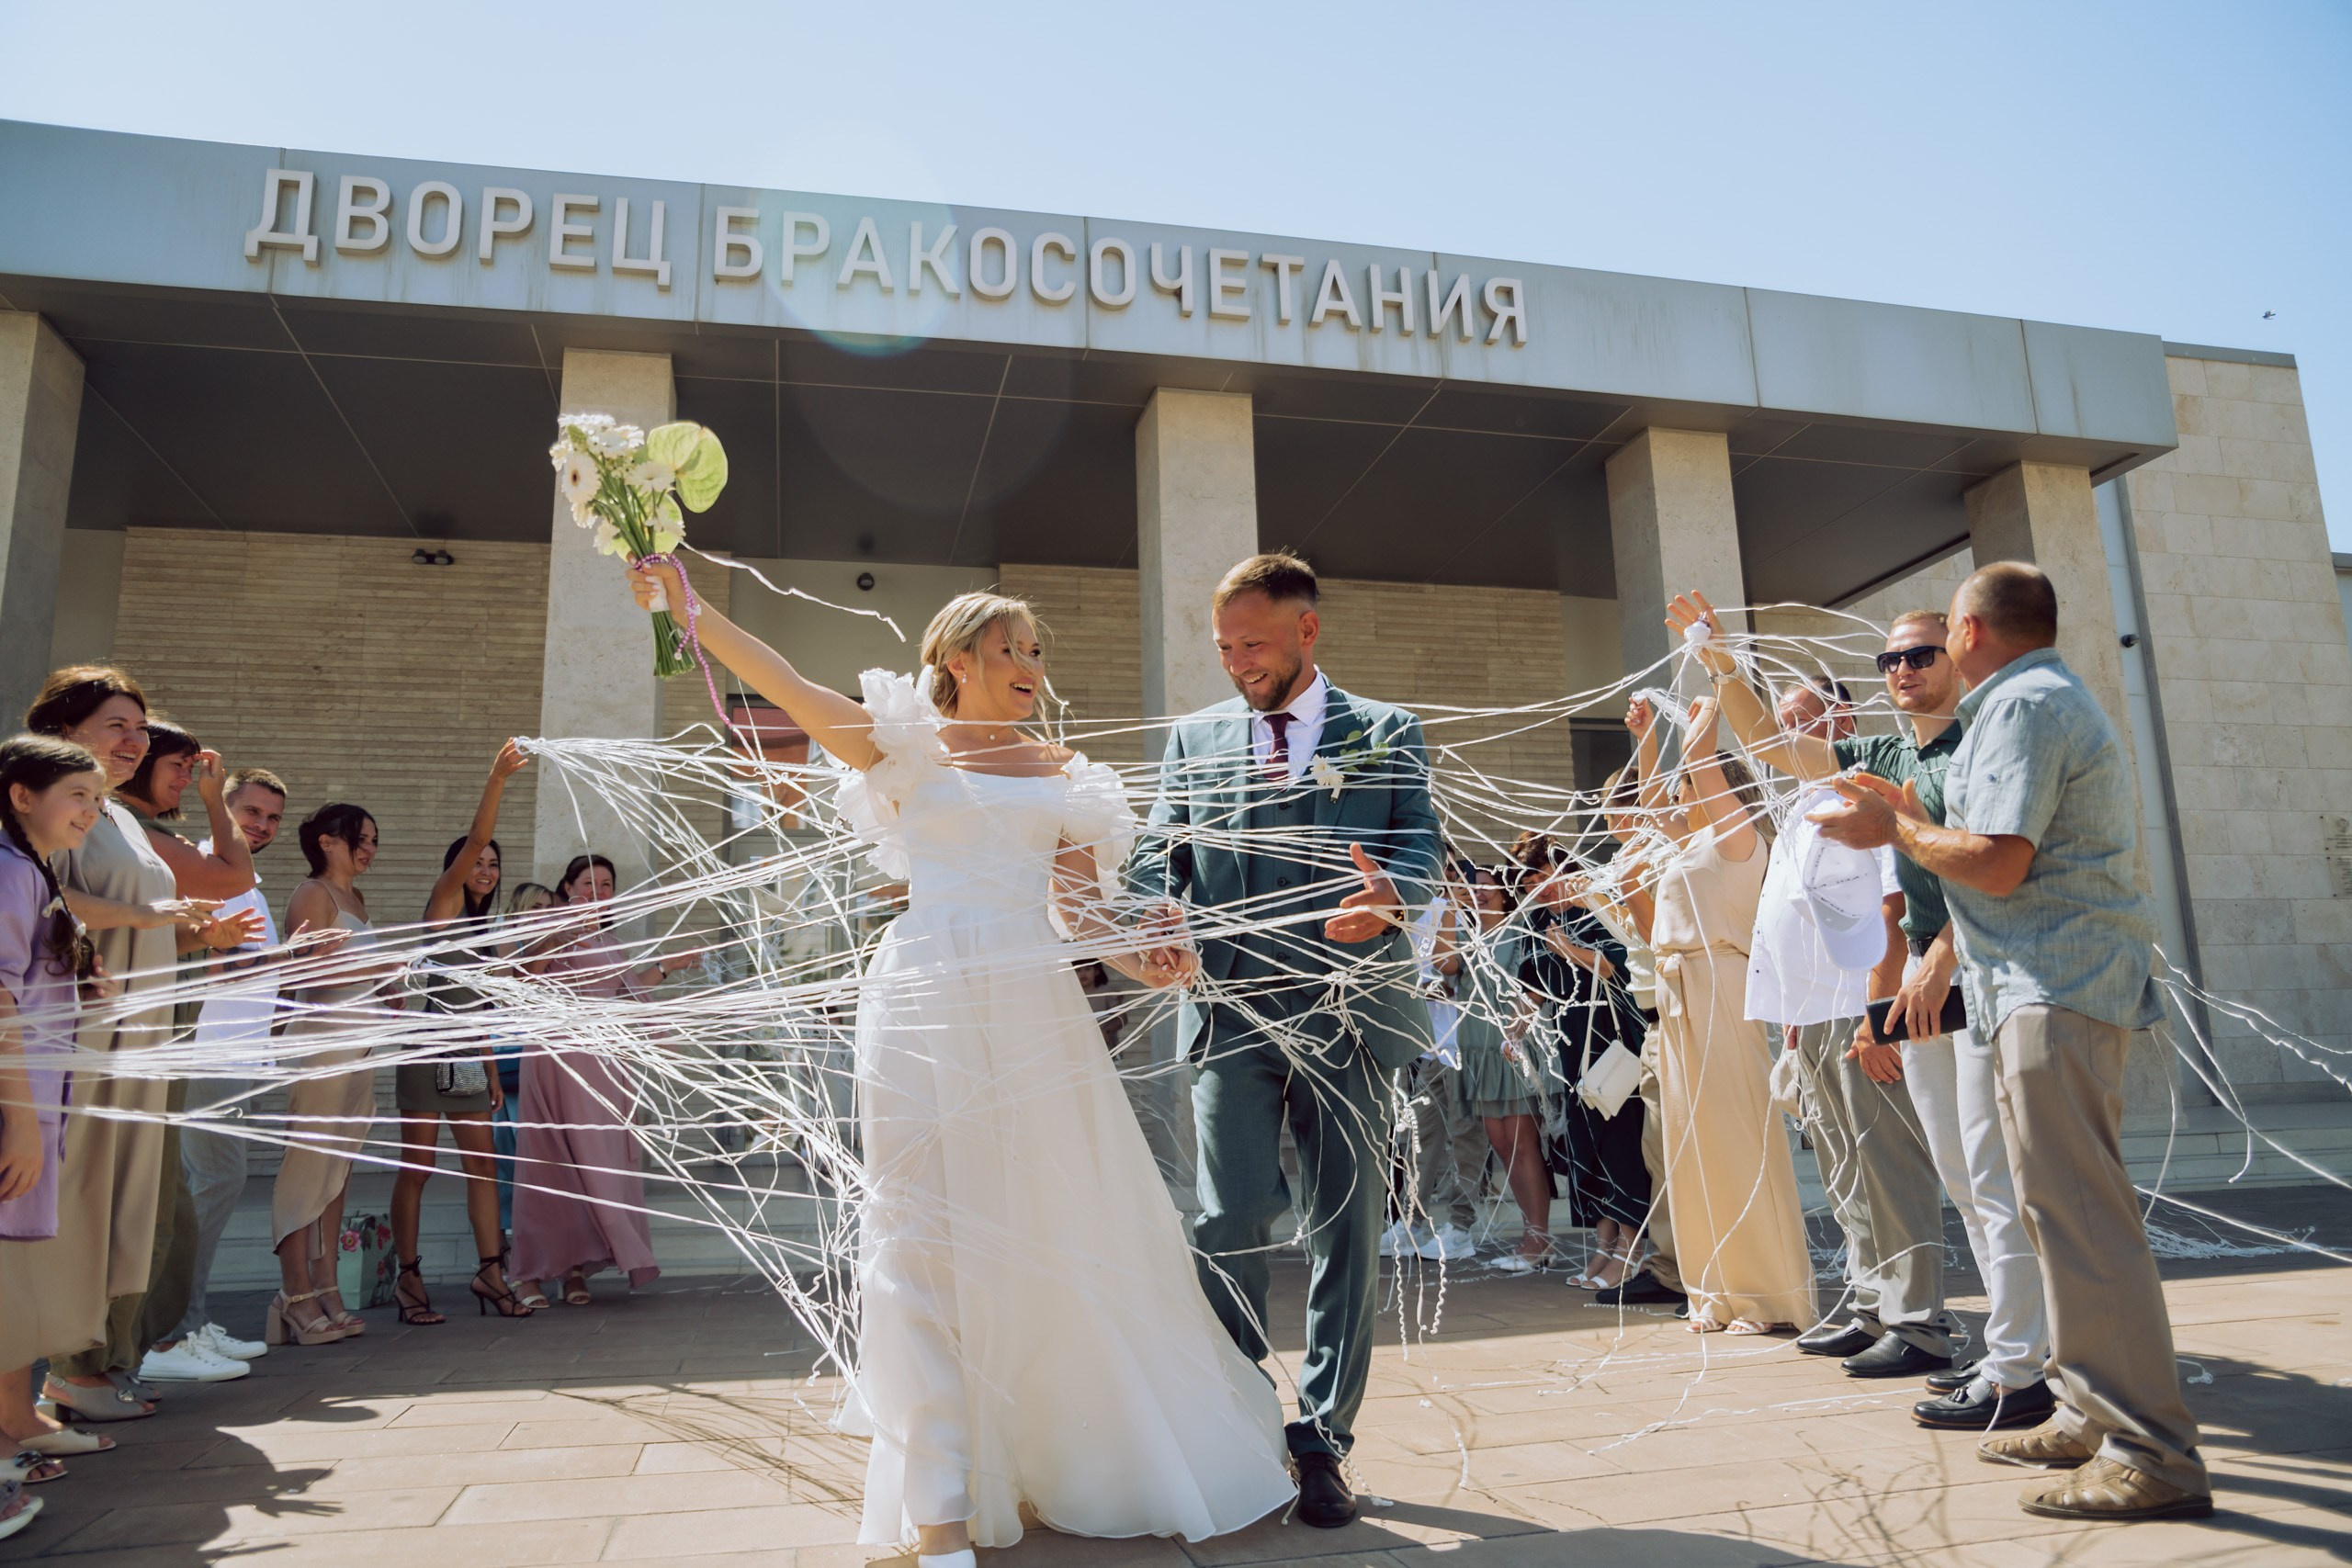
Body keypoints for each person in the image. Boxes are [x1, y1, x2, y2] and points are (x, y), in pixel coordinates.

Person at [627, 557, 1293, 1567]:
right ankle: (938, 1502)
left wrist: (1150, 962)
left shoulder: (1065, 775)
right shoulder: (899, 747)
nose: (1028, 663)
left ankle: (1064, 1454)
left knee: (1053, 1219)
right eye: (1008, 647)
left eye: (1035, 650)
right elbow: (790, 686)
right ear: (952, 658)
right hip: (922, 997)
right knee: (922, 1233)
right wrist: (689, 606)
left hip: (1034, 1006)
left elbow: (1085, 919)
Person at [1813, 561, 2211, 1522]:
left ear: (1967, 630)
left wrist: (1895, 825)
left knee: (2078, 1216)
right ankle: (2087, 1410)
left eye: (1931, 637)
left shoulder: (2025, 704)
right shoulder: (2026, 698)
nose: (1919, 657)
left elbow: (1994, 863)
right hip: (2033, 989)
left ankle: (2149, 1451)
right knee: (2049, 1213)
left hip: (2054, 988)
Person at [1677, 592, 2053, 1428]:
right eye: (1890, 660)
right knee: (1966, 1176)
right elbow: (1777, 746)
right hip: (1926, 981)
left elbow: (2001, 862)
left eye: (1920, 655)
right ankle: (2013, 1353)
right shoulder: (1881, 749)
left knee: (2000, 1177)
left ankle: (2028, 1360)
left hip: (1983, 974)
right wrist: (1721, 661)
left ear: (1960, 654)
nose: (1904, 671)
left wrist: (1931, 961)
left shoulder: (1986, 741)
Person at [1132, 551, 1442, 1529]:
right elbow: (1155, 852)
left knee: (1342, 1229)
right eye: (1224, 648)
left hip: (1350, 1015)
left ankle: (1322, 1443)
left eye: (1253, 645)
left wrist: (1393, 897)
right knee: (1224, 1223)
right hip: (1229, 1015)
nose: (1237, 664)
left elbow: (1420, 843)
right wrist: (1152, 914)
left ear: (1307, 631)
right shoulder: (1193, 738)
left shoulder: (1387, 730)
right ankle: (1237, 1424)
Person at [1666, 638, 1963, 1381]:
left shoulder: (1868, 790)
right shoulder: (1802, 804)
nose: (1787, 735)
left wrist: (1879, 1011)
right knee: (1843, 1164)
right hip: (1811, 1012)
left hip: (1859, 1007)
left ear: (1840, 721)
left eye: (1804, 719)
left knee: (1887, 1163)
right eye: (1784, 721)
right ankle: (1871, 1302)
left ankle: (1918, 1317)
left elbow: (1897, 907)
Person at [21, 669, 256, 1421]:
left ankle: (108, 1359)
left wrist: (197, 931)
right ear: (64, 730)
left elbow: (147, 912)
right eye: (117, 725)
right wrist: (162, 920)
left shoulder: (117, 819)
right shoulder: (57, 808)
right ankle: (74, 1367)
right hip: (93, 1034)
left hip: (145, 1036)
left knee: (139, 1202)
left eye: (140, 728)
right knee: (94, 1194)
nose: (135, 740)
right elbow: (51, 898)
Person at [1630, 692, 1812, 1335]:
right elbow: (1648, 810)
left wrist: (1701, 728)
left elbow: (1701, 771)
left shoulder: (1739, 837)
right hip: (1678, 992)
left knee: (1736, 1137)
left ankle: (1765, 1294)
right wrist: (1649, 738)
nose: (1679, 797)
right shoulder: (1692, 840)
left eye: (1689, 785)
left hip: (1723, 987)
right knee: (1691, 1148)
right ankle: (1717, 1291)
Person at [114, 721, 263, 1386]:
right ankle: (163, 1337)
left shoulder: (153, 839)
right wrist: (213, 801)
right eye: (176, 766)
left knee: (182, 1195)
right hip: (185, 1050)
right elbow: (234, 877)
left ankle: (178, 1326)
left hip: (194, 1047)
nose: (183, 776)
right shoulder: (143, 836)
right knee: (178, 1195)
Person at [390, 742, 535, 1325]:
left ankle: (490, 1272)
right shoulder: (442, 905)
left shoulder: (485, 931)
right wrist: (495, 778)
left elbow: (475, 1007)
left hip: (468, 1056)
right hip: (428, 1050)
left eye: (494, 865)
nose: (486, 869)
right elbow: (475, 840)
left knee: (482, 1166)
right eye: (478, 862)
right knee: (417, 1167)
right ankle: (407, 1277)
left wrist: (488, 1062)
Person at [172, 769, 310, 1368]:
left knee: (209, 1187)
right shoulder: (206, 869)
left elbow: (254, 973)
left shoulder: (243, 881)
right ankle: (172, 1332)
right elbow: (215, 964)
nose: (261, 824)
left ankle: (188, 1321)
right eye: (250, 811)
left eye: (272, 817)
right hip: (206, 1053)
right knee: (214, 1184)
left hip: (236, 1057)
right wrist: (291, 958)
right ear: (221, 805)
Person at [510, 852, 691, 1310]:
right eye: (588, 883)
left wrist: (670, 966)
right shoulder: (549, 932)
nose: (597, 892)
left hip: (604, 1070)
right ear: (568, 887)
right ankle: (530, 1273)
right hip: (557, 1062)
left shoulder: (611, 944)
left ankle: (577, 1269)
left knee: (595, 1169)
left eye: (606, 885)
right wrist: (555, 937)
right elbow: (521, 981)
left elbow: (629, 997)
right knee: (552, 1163)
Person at [0, 735, 111, 1475]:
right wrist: (19, 1123)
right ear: (21, 795)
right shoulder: (10, 872)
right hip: (15, 1110)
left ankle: (11, 1431)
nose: (92, 813)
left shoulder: (31, 871)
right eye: (80, 796)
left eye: (99, 801)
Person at [268, 803, 395, 1347]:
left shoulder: (356, 900)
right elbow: (300, 977)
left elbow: (359, 975)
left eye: (372, 840)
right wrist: (375, 968)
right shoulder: (311, 894)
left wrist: (392, 989)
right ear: (326, 841)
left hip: (359, 1049)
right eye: (358, 839)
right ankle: (293, 1296)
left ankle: (327, 1288)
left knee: (335, 1175)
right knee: (305, 1172)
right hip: (319, 1047)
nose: (367, 849)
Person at [1525, 847, 1653, 1292]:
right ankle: (1604, 1246)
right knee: (1588, 1147)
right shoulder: (1542, 920)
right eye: (1530, 887)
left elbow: (1619, 965)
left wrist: (1568, 949)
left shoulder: (1603, 906)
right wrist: (1518, 1022)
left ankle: (1631, 1249)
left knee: (1621, 1144)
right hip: (1572, 1043)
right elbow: (1538, 979)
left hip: (1612, 1041)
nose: (1539, 892)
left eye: (1542, 878)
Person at [1582, 770, 1687, 1312]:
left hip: (1676, 1013)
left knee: (1682, 1150)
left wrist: (1618, 901)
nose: (1607, 821)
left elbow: (1647, 939)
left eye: (1611, 808)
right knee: (1658, 1153)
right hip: (1653, 1020)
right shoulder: (1631, 862)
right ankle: (1667, 1265)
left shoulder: (1663, 858)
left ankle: (1696, 1266)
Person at [1441, 863, 1550, 1273]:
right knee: (1502, 1147)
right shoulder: (1466, 937)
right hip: (1478, 1051)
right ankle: (1532, 1236)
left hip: (1511, 1049)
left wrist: (1517, 1029)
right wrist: (1451, 906)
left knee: (1524, 1147)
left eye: (1486, 888)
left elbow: (1538, 983)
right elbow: (1445, 965)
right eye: (1471, 889)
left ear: (1504, 893)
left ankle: (1537, 1241)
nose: (1478, 894)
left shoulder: (1521, 928)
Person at [1383, 870, 1486, 1266]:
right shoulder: (1419, 912)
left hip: (1467, 1046)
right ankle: (1413, 1222)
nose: (1447, 880)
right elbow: (1405, 970)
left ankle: (1460, 1227)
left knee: (1465, 1140)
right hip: (1430, 1046)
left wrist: (1453, 911)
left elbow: (1451, 968)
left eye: (1454, 872)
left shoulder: (1472, 913)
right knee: (1418, 1141)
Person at [489, 880, 558, 1260]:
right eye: (536, 907)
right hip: (506, 1057)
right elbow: (517, 989)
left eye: (548, 907)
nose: (543, 913)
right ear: (519, 909)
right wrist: (548, 947)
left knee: (535, 1155)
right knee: (507, 1154)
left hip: (540, 1056)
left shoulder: (549, 946)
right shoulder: (504, 941)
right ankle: (502, 1247)